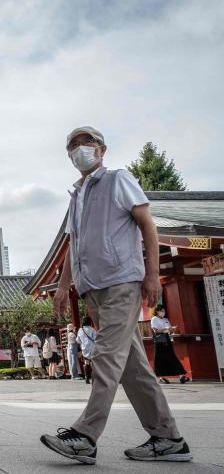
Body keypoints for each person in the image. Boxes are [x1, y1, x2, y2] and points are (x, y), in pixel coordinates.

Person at [42, 127, 192, 464]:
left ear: (102, 149)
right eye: (73, 145)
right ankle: (168, 438)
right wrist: (63, 286)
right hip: (94, 287)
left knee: (106, 356)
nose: (79, 149)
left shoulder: (118, 179)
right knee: (133, 368)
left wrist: (152, 274)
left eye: (86, 143)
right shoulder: (77, 195)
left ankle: (85, 435)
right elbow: (72, 244)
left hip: (121, 281)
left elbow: (147, 224)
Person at [151, 304, 189, 384]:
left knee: (172, 356)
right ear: (157, 311)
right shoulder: (154, 319)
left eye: (164, 311)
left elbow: (170, 330)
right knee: (159, 358)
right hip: (159, 340)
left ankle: (181, 375)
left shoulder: (166, 319)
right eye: (161, 311)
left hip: (167, 339)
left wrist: (172, 329)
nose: (163, 312)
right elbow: (155, 331)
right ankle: (161, 377)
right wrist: (166, 329)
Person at [77, 316, 97, 385]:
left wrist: (84, 343)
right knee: (93, 363)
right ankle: (94, 378)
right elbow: (96, 339)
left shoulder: (80, 330)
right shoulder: (92, 329)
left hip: (84, 349)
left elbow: (78, 340)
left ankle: (87, 378)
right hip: (92, 348)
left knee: (86, 363)